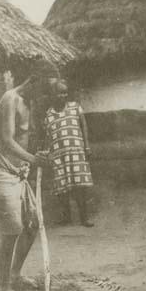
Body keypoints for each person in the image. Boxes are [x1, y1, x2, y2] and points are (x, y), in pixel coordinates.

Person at [0, 60, 58, 291]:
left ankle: (14, 276)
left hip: (17, 171)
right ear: (33, 81)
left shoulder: (21, 100)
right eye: (44, 88)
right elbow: (6, 140)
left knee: (32, 224)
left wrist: (34, 157)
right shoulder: (11, 98)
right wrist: (34, 160)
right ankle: (2, 290)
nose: (45, 94)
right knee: (12, 230)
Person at [44, 79, 94, 227]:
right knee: (62, 187)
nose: (63, 95)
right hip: (59, 155)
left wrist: (87, 146)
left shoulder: (75, 107)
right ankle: (67, 217)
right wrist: (49, 154)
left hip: (76, 152)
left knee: (80, 185)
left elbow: (83, 126)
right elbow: (48, 136)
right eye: (59, 92)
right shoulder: (49, 115)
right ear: (53, 94)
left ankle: (84, 218)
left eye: (65, 92)